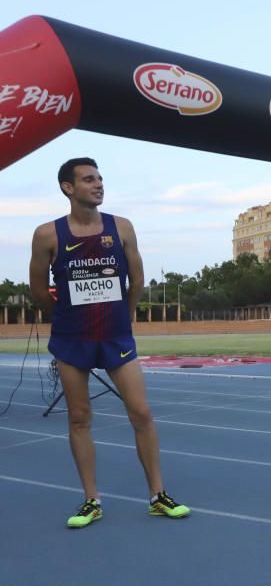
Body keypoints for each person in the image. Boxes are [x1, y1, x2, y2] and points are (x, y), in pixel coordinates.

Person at [28, 158, 190, 528]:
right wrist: (60, 317)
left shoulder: (122, 227)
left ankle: (158, 496)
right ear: (68, 188)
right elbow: (38, 288)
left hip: (116, 335)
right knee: (79, 416)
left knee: (142, 413)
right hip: (72, 338)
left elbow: (137, 278)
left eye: (100, 178)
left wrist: (124, 316)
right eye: (88, 179)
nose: (98, 184)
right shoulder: (47, 235)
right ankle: (91, 500)